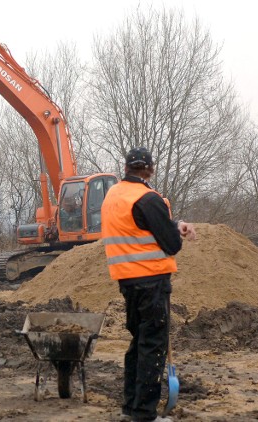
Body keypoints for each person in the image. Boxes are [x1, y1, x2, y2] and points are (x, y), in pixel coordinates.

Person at [101, 147, 196, 422]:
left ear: (127, 168)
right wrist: (174, 230)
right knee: (153, 344)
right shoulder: (148, 198)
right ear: (150, 169)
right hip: (152, 281)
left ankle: (130, 407)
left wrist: (173, 223)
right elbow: (172, 244)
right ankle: (145, 414)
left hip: (127, 281)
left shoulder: (113, 196)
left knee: (138, 342)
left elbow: (139, 227)